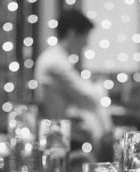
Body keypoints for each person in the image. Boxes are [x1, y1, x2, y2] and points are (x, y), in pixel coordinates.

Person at [34, 9, 112, 149]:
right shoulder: (55, 61)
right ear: (72, 33)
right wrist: (99, 84)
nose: (86, 43)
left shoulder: (58, 58)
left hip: (63, 131)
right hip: (58, 135)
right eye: (85, 36)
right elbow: (89, 93)